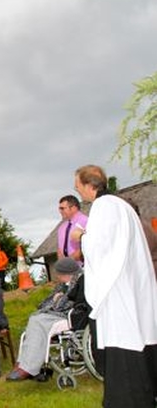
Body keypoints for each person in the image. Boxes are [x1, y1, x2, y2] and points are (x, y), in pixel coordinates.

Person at [73, 164, 157, 407]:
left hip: (117, 290)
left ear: (90, 185)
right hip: (130, 284)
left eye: (78, 187)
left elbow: (102, 248)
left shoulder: (104, 206)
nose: (79, 192)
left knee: (124, 343)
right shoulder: (121, 205)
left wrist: (81, 237)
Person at [6, 257, 87, 381]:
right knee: (34, 320)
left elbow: (66, 305)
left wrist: (56, 301)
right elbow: (43, 304)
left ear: (66, 273)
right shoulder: (62, 285)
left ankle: (28, 368)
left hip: (67, 315)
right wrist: (55, 300)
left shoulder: (78, 283)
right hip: (55, 314)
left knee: (36, 321)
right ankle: (24, 364)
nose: (57, 276)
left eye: (59, 273)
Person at [56, 195, 88, 264]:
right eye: (59, 209)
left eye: (62, 208)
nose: (60, 211)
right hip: (68, 270)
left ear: (73, 208)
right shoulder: (61, 228)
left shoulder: (86, 221)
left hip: (84, 268)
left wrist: (68, 262)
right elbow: (59, 250)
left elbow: (87, 246)